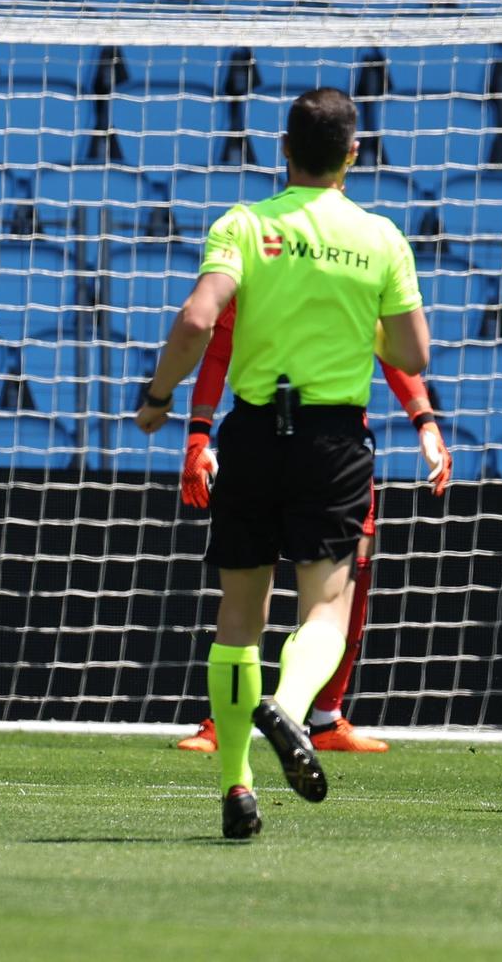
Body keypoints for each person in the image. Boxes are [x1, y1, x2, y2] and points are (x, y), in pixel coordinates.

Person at [134, 86, 429, 839]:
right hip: (333, 439)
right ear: (354, 155)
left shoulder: (244, 224)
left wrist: (161, 396)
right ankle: (292, 713)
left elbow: (201, 318)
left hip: (254, 432)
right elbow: (411, 353)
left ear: (284, 150)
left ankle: (235, 783)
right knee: (325, 607)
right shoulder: (379, 237)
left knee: (238, 620)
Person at [174, 304, 453, 755]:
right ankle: (228, 719)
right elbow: (216, 345)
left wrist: (425, 421)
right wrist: (197, 436)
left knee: (346, 579)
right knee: (256, 591)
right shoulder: (259, 255)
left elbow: (395, 350)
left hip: (335, 445)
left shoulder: (359, 254)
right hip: (270, 439)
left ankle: (323, 717)